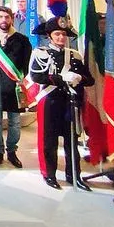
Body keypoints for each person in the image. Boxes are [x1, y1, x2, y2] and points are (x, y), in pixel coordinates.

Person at [28, 16, 94, 190]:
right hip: (49, 101)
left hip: (69, 102)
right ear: (50, 36)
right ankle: (49, 174)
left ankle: (74, 175)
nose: (61, 38)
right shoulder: (40, 53)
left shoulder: (74, 55)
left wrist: (80, 77)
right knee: (48, 140)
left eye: (64, 34)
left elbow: (90, 79)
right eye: (57, 34)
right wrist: (60, 78)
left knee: (71, 140)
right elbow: (36, 76)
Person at [0, 6, 32, 168]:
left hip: (14, 88)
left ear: (12, 18)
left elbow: (27, 63)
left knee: (14, 122)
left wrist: (22, 80)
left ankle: (12, 151)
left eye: (7, 17)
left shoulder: (22, 39)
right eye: (0, 17)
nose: (4, 20)